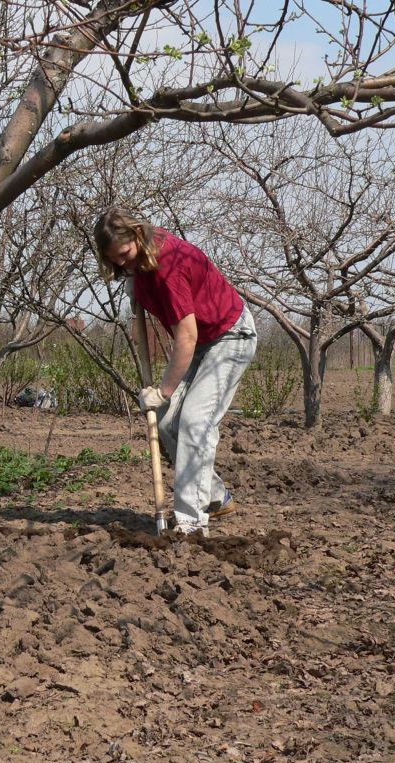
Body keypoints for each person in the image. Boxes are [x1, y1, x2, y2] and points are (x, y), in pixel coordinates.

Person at [93, 207, 257, 536]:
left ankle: (191, 525)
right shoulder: (141, 266)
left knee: (196, 422)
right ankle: (214, 496)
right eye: (116, 261)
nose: (122, 264)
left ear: (138, 235)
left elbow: (186, 336)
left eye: (125, 255)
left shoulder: (171, 266)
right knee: (168, 422)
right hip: (202, 344)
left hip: (230, 337)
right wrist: (137, 285)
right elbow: (188, 337)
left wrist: (162, 391)